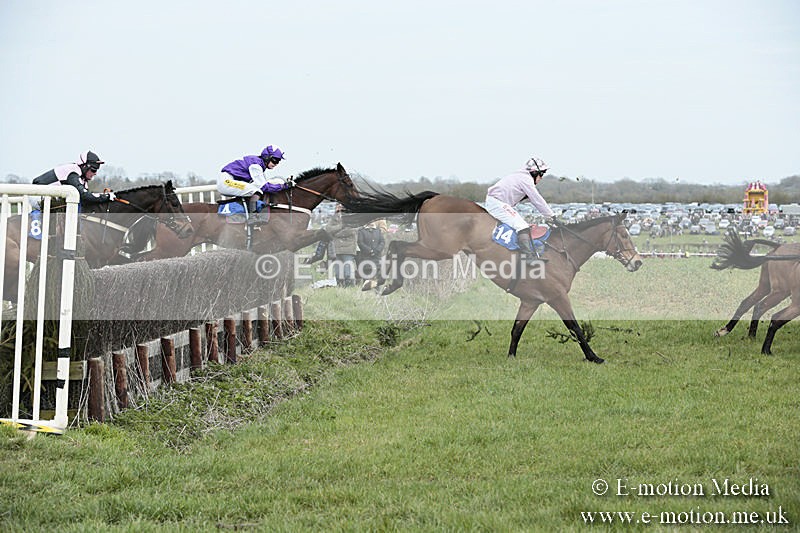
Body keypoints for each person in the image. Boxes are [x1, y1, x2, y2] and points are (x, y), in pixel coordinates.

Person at [485, 156, 555, 263]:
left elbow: (533, 201)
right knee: (522, 227)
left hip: (497, 202)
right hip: (496, 203)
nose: (541, 178)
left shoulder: (521, 176)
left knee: (521, 225)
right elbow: (537, 200)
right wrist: (551, 216)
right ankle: (528, 258)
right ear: (535, 173)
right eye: (542, 174)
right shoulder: (526, 180)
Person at [219, 145, 290, 224]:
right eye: (275, 160)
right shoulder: (256, 165)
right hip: (226, 181)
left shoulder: (258, 163)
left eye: (278, 161)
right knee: (257, 191)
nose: (276, 164)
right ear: (267, 157)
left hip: (230, 180)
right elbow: (264, 187)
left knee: (253, 189)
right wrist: (283, 186)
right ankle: (253, 218)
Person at [32, 150, 115, 208]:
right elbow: (84, 196)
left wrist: (104, 196)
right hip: (36, 195)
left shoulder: (82, 177)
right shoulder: (73, 174)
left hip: (49, 196)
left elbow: (89, 197)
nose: (95, 173)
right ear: (85, 167)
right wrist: (106, 197)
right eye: (93, 170)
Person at [357, 221, 385, 291]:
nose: (371, 222)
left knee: (376, 278)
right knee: (366, 276)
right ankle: (367, 294)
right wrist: (370, 251)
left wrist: (376, 251)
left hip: (377, 258)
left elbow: (382, 242)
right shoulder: (361, 231)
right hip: (365, 258)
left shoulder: (378, 231)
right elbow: (360, 242)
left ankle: (377, 294)